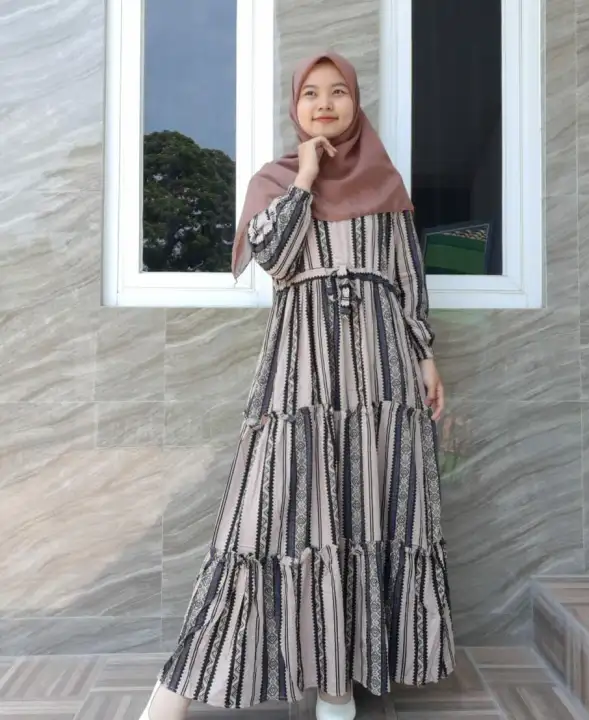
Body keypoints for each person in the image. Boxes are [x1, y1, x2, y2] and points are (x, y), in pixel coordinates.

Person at [140, 51, 455, 720]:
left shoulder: (386, 184)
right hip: (301, 371)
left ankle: (338, 691)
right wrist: (306, 180)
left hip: (381, 373)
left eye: (338, 92)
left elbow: (407, 276)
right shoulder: (276, 181)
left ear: (355, 103)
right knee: (265, 515)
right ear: (296, 106)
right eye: (311, 93)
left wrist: (425, 354)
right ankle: (173, 696)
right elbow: (275, 259)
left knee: (366, 510)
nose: (325, 104)